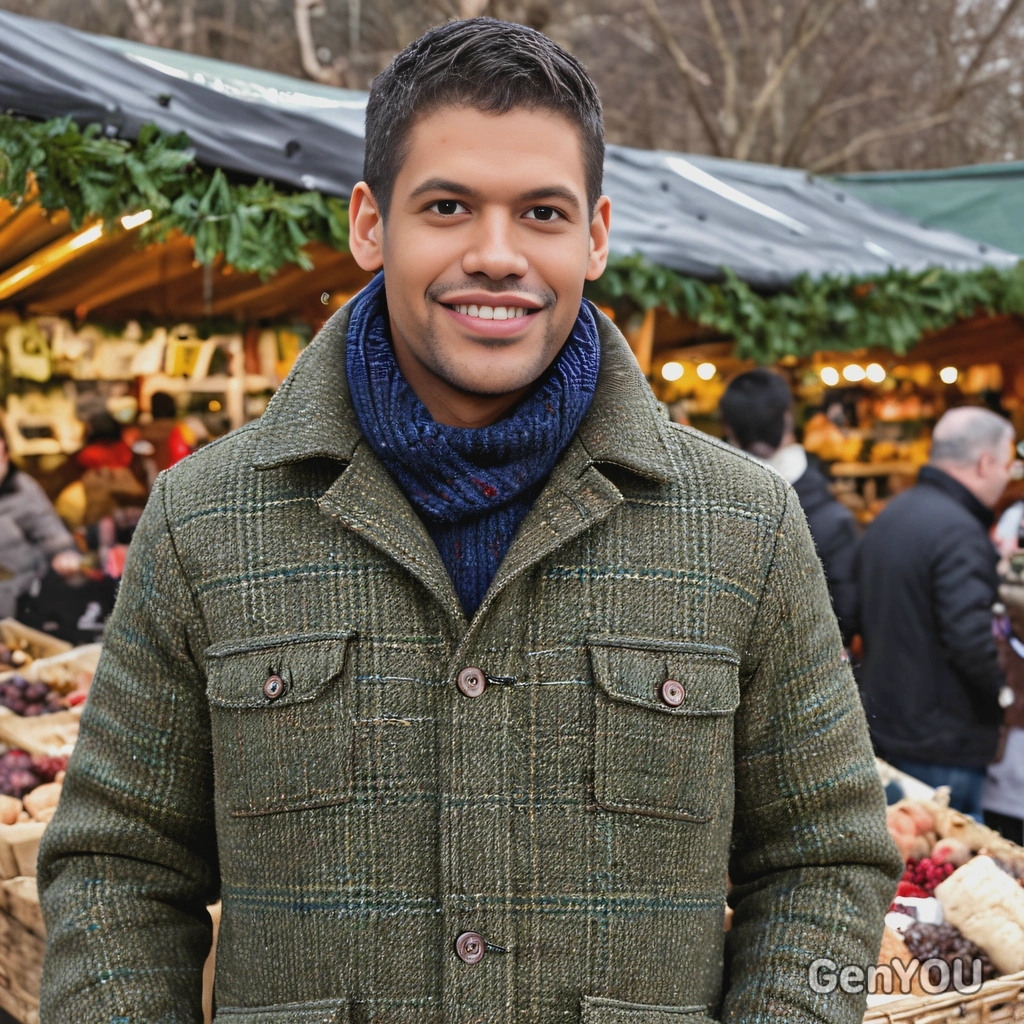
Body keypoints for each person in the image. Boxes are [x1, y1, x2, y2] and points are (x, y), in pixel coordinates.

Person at [38, 19, 900, 1023]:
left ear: (596, 235)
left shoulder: (741, 527)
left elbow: (826, 860)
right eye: (446, 206)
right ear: (370, 223)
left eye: (541, 212)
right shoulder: (205, 517)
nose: (497, 256)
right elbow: (116, 870)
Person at [857, 406, 1016, 818]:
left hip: (889, 725)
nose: (1007, 476)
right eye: (1007, 463)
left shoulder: (892, 515)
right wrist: (1006, 695)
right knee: (943, 866)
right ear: (985, 463)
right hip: (944, 745)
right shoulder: (959, 531)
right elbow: (971, 641)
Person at [720, 368, 859, 643]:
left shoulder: (714, 511)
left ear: (728, 428)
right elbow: (846, 614)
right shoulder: (830, 517)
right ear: (788, 418)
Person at [0, 423, 81, 618]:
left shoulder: (22, 488)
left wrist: (64, 554)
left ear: (6, 454)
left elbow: (52, 533)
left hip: (22, 603)